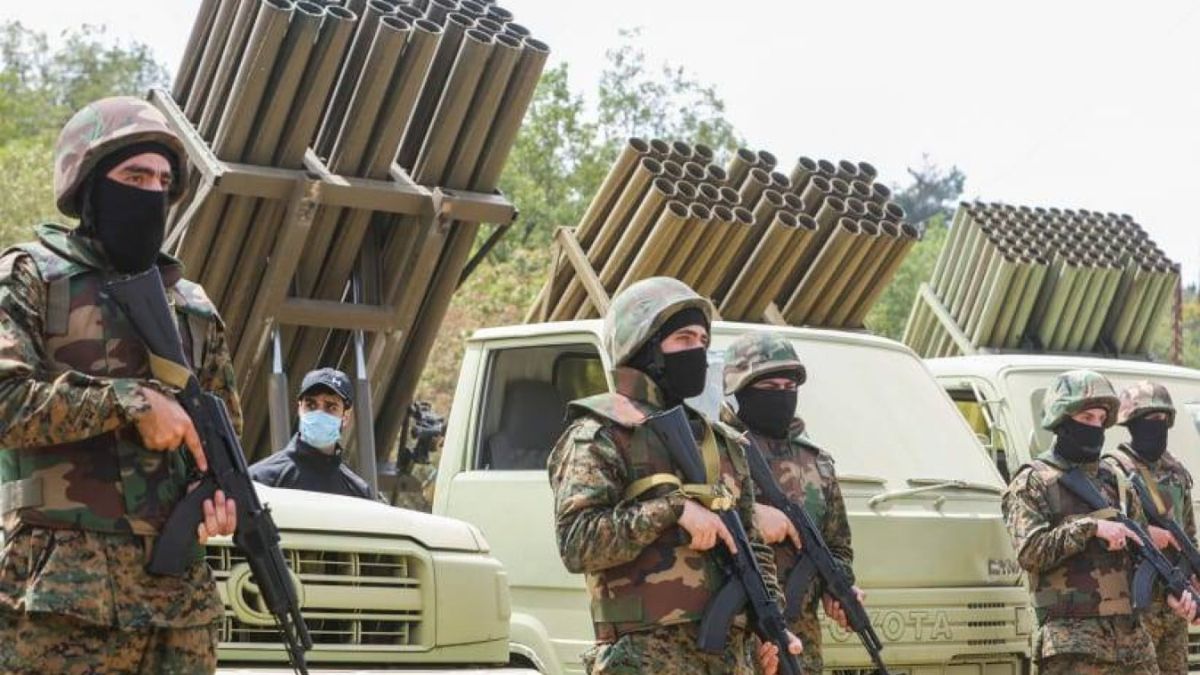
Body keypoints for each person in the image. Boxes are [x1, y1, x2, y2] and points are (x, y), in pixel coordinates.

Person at [0, 96, 240, 673]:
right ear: (87, 185)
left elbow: (223, 436)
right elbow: (5, 404)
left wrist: (219, 501)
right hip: (58, 600)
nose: (151, 191)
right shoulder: (31, 278)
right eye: (134, 175)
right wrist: (131, 401)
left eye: (162, 181)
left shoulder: (192, 306)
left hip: (177, 603)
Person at [546, 276, 801, 675]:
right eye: (683, 339)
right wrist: (672, 511)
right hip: (642, 660)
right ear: (644, 348)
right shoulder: (600, 436)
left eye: (702, 341)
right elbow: (577, 542)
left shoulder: (722, 442)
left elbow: (753, 548)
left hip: (729, 660)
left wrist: (769, 629)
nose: (696, 351)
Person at [1002, 370, 1196, 675]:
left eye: (1099, 419)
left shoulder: (1117, 483)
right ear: (1062, 419)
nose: (1094, 426)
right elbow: (1030, 551)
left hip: (1132, 642)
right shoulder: (1033, 482)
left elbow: (1140, 555)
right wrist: (1091, 528)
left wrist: (1173, 595)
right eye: (1086, 417)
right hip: (1073, 643)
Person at [722, 331, 861, 673]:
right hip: (736, 638)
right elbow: (692, 521)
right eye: (770, 388)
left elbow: (838, 547)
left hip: (801, 647)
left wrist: (836, 588)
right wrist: (752, 516)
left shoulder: (816, 462)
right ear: (741, 388)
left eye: (790, 388)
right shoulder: (715, 451)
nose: (782, 397)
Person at [1103, 381, 1196, 675]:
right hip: (1133, 610)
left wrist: (1192, 581)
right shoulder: (1113, 470)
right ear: (1130, 424)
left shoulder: (1177, 472)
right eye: (1147, 420)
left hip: (1174, 606)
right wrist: (1145, 534)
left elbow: (1187, 535)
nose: (1156, 426)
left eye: (1161, 419)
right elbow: (1105, 529)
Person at [249, 367, 373, 500]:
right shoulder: (261, 480)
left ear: (345, 416)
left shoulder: (358, 493)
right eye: (311, 405)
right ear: (300, 408)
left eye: (331, 407)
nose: (319, 413)